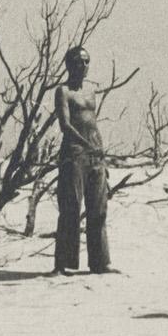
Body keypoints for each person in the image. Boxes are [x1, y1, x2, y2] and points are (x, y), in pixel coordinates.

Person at [52, 45, 114, 275]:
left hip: (96, 155)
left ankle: (100, 262)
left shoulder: (91, 92)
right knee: (70, 208)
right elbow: (65, 125)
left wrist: (100, 152)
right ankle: (62, 264)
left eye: (86, 61)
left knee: (98, 209)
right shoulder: (63, 91)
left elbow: (93, 123)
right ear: (69, 64)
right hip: (74, 153)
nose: (83, 66)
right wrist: (86, 145)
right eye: (78, 61)